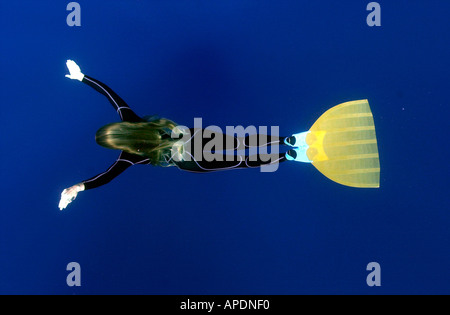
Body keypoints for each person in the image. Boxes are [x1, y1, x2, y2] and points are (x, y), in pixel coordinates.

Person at [59, 60, 302, 210]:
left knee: (239, 161)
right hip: (191, 137)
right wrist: (82, 77)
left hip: (189, 161)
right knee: (240, 143)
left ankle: (287, 156)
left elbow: (106, 177)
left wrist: (78, 188)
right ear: (119, 129)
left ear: (116, 145)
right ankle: (287, 140)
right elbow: (111, 95)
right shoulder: (129, 119)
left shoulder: (127, 158)